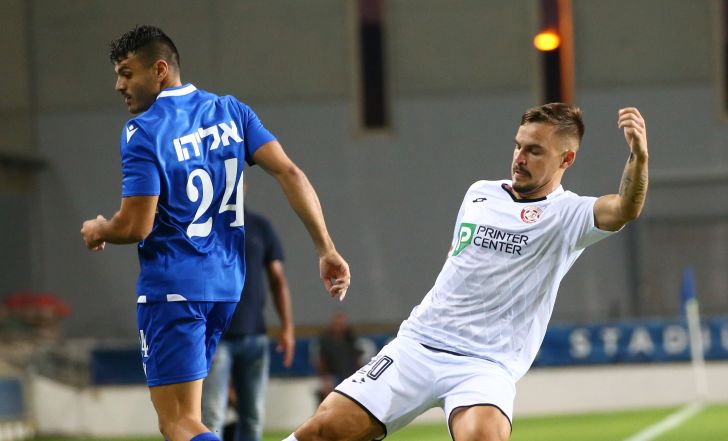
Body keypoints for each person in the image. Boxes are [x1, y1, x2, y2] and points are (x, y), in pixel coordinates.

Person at [284, 103, 649, 441]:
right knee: (321, 431)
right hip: (418, 345)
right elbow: (458, 259)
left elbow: (624, 208)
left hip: (485, 365)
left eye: (535, 151)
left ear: (566, 158)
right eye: (518, 146)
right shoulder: (480, 193)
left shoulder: (570, 214)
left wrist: (638, 157)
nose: (520, 158)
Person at [79, 25, 350, 441]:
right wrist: (326, 248)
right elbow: (290, 173)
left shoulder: (144, 131)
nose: (119, 85)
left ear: (160, 70)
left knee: (177, 422)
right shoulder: (232, 111)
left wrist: (99, 228)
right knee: (194, 418)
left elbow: (135, 225)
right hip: (225, 288)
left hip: (172, 288)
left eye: (127, 73)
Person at [201, 205, 294, 441]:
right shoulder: (205, 222)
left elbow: (277, 279)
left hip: (255, 336)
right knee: (212, 418)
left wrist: (287, 327)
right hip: (215, 337)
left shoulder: (259, 226)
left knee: (252, 418)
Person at [315, 312, 363, 403]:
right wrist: (325, 379)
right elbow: (321, 361)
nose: (339, 326)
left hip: (349, 374)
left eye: (341, 324)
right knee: (329, 392)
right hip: (332, 376)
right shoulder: (325, 340)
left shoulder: (351, 338)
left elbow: (358, 360)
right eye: (337, 324)